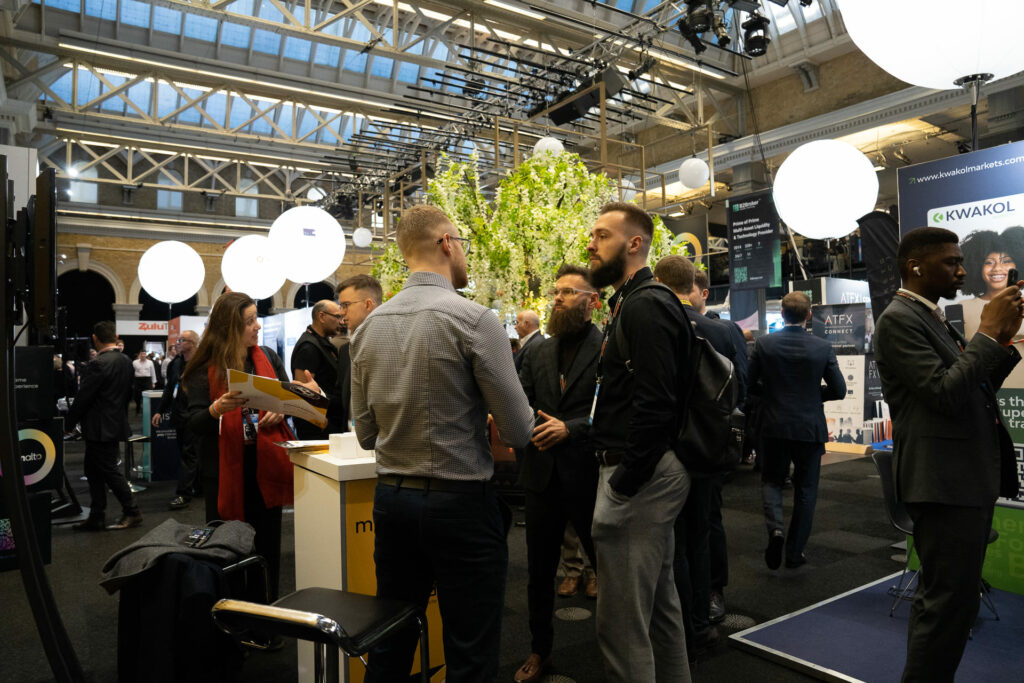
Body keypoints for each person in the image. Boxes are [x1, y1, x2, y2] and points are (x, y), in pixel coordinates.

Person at [350, 205, 534, 681]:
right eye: (463, 245)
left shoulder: (368, 328)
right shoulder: (474, 319)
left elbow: (366, 434)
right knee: (470, 651)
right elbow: (519, 430)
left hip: (392, 502)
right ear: (447, 244)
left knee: (390, 643)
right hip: (461, 505)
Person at [874, 226, 1022, 681]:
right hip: (942, 483)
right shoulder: (899, 319)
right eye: (951, 262)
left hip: (958, 480)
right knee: (946, 606)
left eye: (960, 261)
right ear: (915, 267)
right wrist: (988, 334)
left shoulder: (930, 315)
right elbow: (944, 393)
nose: (962, 271)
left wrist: (1001, 340)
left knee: (954, 604)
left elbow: (971, 387)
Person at [587, 202, 694, 682]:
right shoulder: (633, 301)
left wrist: (625, 481)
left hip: (641, 476)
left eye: (602, 235)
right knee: (658, 610)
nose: (591, 244)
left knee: (622, 626)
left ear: (634, 244)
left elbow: (657, 402)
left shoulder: (646, 304)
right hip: (647, 471)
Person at [182, 292, 312, 601]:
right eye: (249, 321)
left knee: (267, 546)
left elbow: (286, 399)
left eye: (256, 318)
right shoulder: (205, 368)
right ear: (229, 326)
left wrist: (284, 408)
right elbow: (194, 423)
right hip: (224, 470)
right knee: (228, 546)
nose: (258, 326)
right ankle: (233, 612)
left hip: (266, 464)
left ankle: (266, 608)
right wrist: (217, 409)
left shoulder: (267, 357)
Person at [653, 254, 746, 656]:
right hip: (709, 448)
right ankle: (704, 612)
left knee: (673, 538)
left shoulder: (654, 325)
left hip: (664, 450)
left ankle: (677, 624)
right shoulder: (723, 331)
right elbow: (741, 389)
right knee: (704, 529)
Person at [514, 263, 602, 683]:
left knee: (607, 569)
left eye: (568, 292)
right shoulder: (537, 351)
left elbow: (616, 411)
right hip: (542, 474)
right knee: (538, 573)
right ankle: (540, 650)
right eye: (556, 291)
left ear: (592, 301)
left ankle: (617, 649)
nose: (558, 298)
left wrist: (572, 428)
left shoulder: (607, 348)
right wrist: (534, 427)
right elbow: (520, 401)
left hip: (589, 475)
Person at [748, 291, 846, 570]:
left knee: (771, 481)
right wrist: (812, 395)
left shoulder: (764, 344)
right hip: (809, 427)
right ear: (809, 315)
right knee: (806, 490)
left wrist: (772, 395)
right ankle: (794, 553)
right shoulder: (822, 347)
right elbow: (839, 390)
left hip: (773, 425)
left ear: (782, 314)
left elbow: (748, 384)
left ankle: (776, 530)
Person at [66, 321, 141, 531]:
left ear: (95, 338)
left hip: (99, 427)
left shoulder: (98, 363)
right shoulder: (126, 361)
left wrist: (69, 423)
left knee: (108, 471)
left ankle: (132, 511)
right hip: (114, 423)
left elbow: (84, 397)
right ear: (115, 337)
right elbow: (128, 394)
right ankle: (97, 516)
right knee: (93, 471)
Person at [153, 330, 201, 510]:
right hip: (179, 415)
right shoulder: (175, 363)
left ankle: (183, 494)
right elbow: (169, 389)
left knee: (189, 455)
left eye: (182, 340)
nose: (177, 343)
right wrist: (160, 411)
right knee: (186, 453)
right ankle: (197, 487)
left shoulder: (202, 363)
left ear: (193, 343)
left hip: (195, 415)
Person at [331, 274, 382, 432]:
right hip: (349, 440)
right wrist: (316, 395)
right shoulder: (345, 350)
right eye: (340, 306)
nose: (341, 312)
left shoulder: (392, 347)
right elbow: (340, 402)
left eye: (346, 305)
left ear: (368, 304)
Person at [290, 299, 345, 438]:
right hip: (318, 431)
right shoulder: (308, 348)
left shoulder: (323, 343)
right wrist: (324, 424)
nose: (341, 322)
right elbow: (302, 393)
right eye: (337, 317)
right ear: (321, 316)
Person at [132, 349, 156, 415]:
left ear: (146, 355)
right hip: (138, 380)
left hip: (147, 380)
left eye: (144, 354)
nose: (143, 355)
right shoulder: (134, 362)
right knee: (137, 396)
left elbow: (153, 372)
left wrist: (153, 382)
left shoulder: (150, 362)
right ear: (139, 355)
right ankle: (138, 407)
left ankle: (147, 409)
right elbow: (132, 372)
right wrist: (132, 382)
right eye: (141, 354)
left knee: (148, 395)